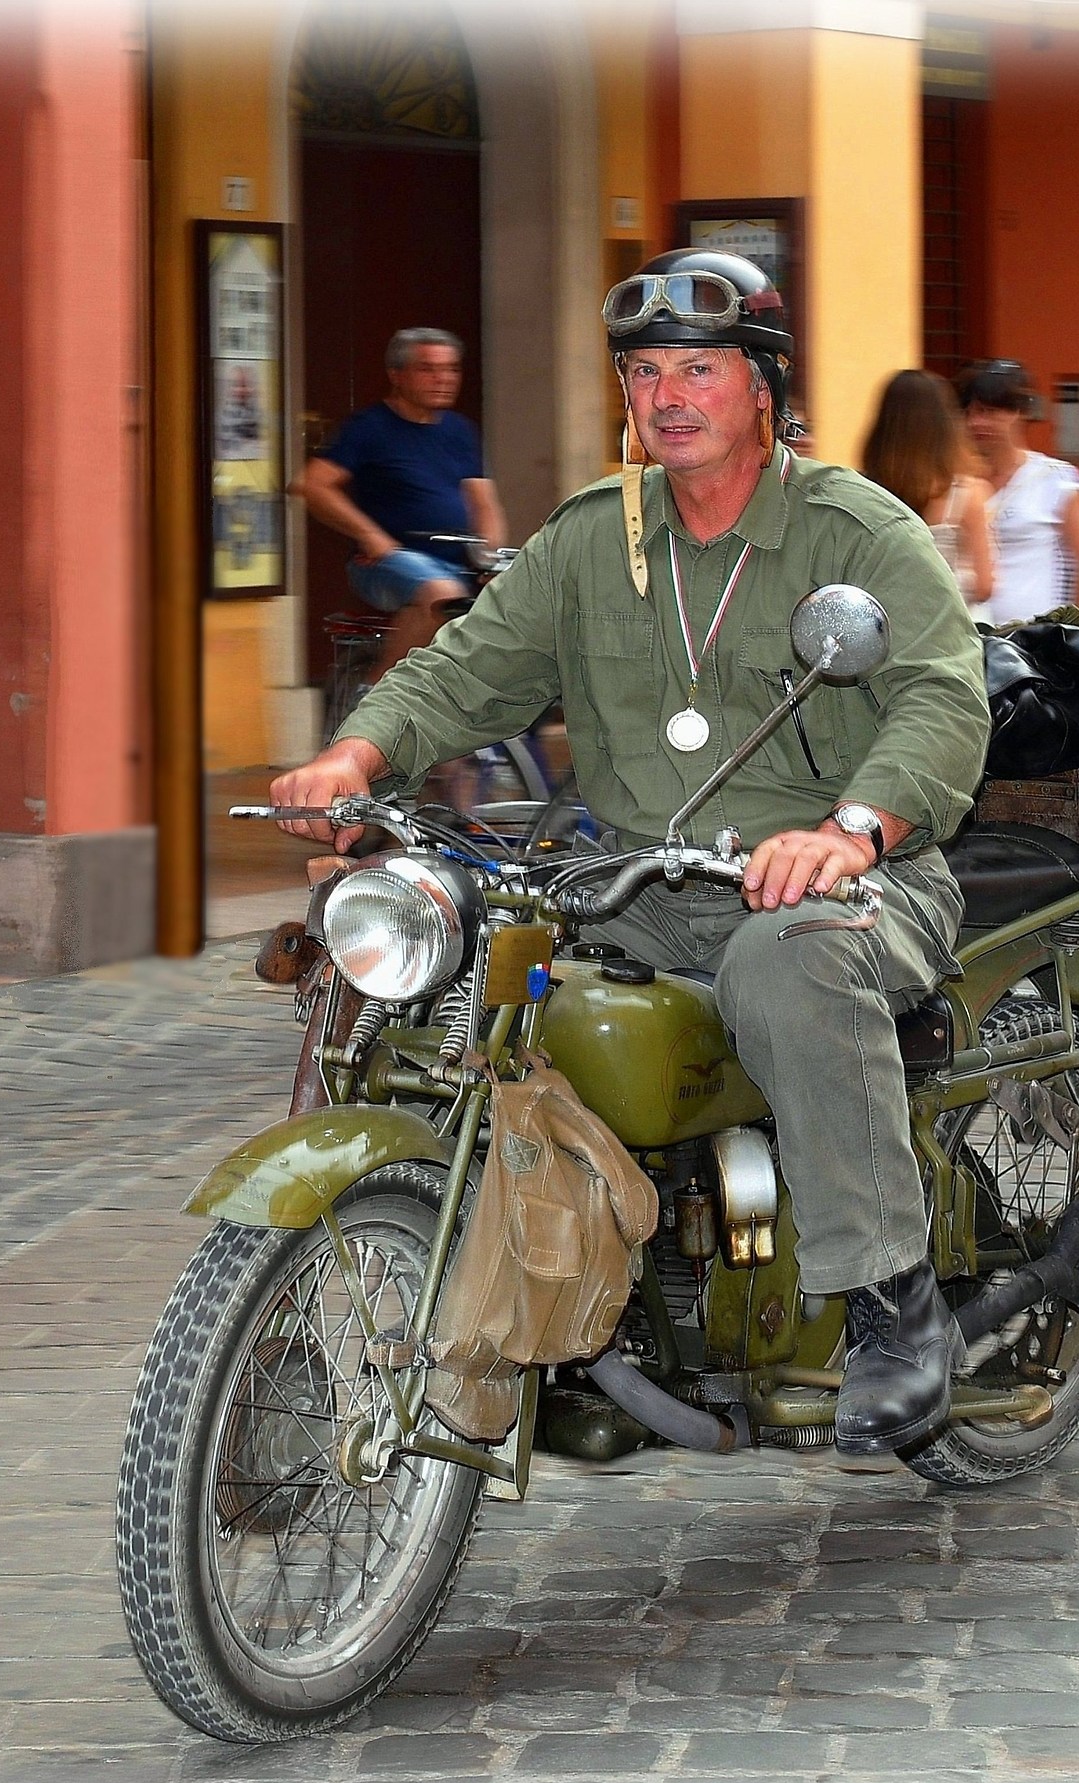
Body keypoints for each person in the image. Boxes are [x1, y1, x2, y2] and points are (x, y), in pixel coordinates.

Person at [269, 248, 988, 1457]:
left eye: (700, 369)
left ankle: (891, 1301)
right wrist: (357, 755)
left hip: (852, 879)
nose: (668, 396)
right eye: (645, 371)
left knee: (790, 960)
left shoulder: (856, 530)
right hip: (646, 877)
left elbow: (940, 699)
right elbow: (469, 668)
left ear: (762, 385)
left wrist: (850, 830)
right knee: (452, 947)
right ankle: (553, 1278)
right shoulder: (594, 538)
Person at [296, 327, 508, 685]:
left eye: (451, 369)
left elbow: (484, 503)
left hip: (457, 559)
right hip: (390, 563)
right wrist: (371, 536)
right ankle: (377, 697)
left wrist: (488, 557)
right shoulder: (369, 428)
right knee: (443, 596)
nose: (443, 378)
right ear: (397, 375)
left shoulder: (459, 430)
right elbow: (313, 485)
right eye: (428, 369)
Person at [956, 358, 1079, 630]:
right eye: (969, 413)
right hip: (971, 633)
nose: (976, 422)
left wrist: (1078, 636)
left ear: (1018, 412)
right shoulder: (957, 483)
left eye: (988, 411)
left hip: (1037, 637)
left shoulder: (1057, 478)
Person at [860, 369, 994, 609]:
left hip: (887, 622)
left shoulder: (864, 490)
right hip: (950, 623)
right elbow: (984, 586)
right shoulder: (967, 494)